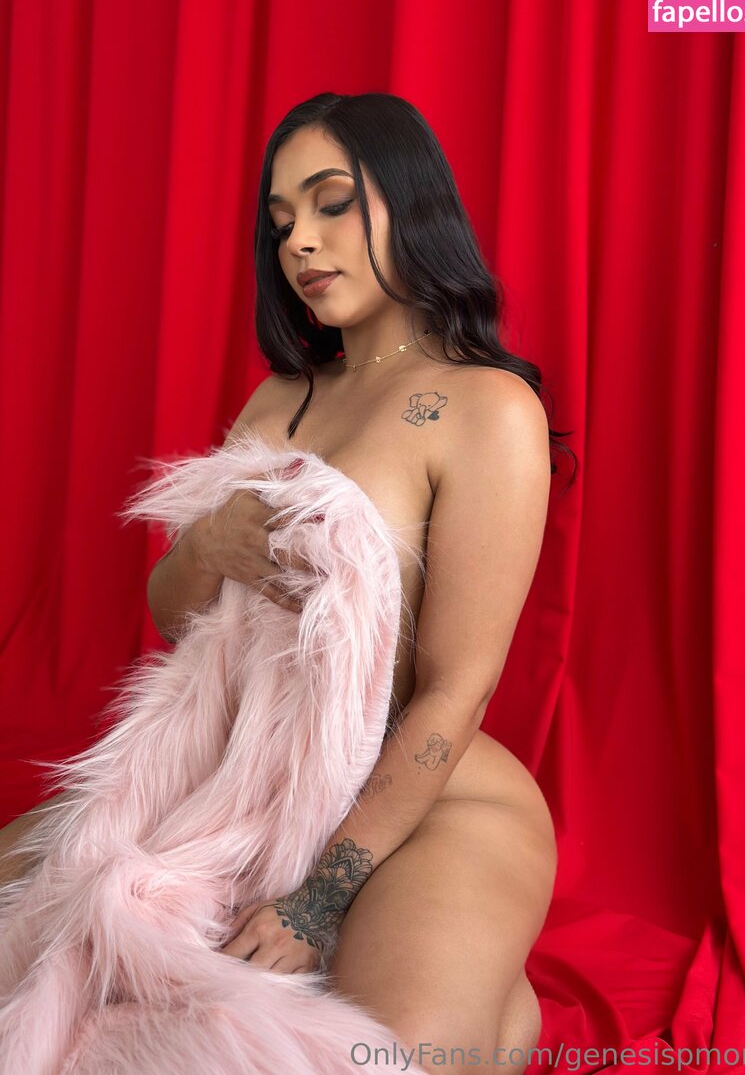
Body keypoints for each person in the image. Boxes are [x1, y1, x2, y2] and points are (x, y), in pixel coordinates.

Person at [1, 92, 574, 1072]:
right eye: (280, 222)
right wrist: (207, 547)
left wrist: (320, 898)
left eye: (331, 203)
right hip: (241, 780)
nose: (299, 241)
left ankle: (486, 1006)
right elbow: (181, 618)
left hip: (420, 802)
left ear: (412, 202)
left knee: (389, 1058)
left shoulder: (485, 407)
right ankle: (493, 1012)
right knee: (39, 946)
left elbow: (456, 689)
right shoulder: (279, 399)